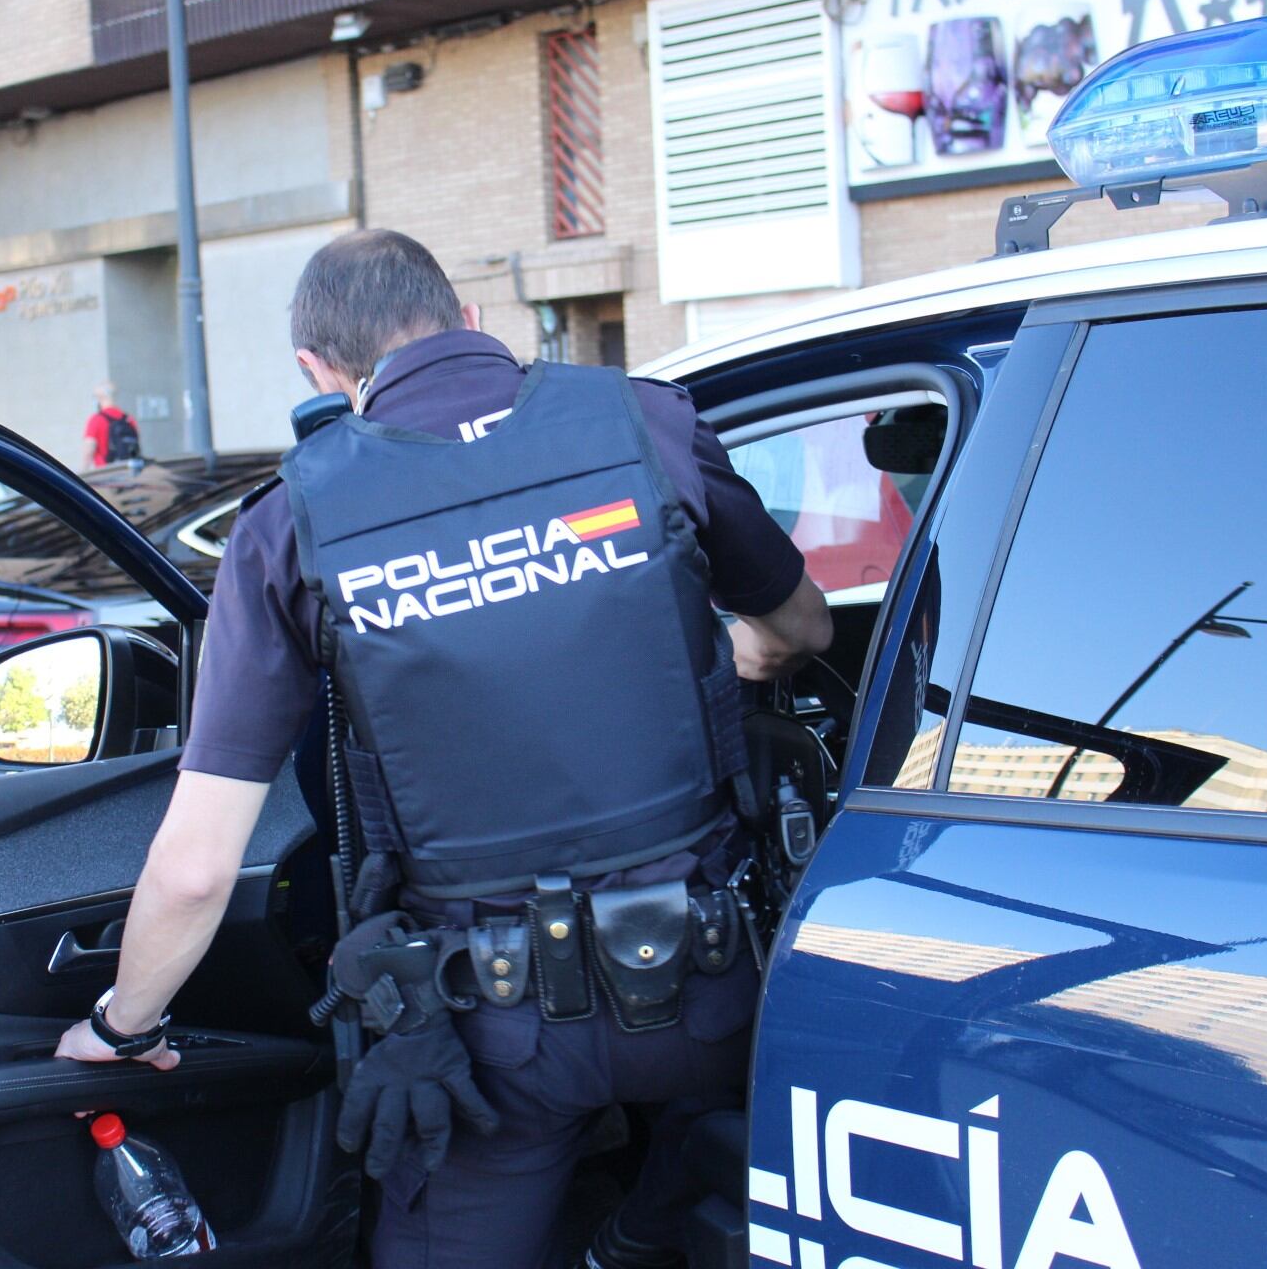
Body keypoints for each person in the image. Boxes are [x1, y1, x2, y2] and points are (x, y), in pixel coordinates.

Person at [55, 230, 833, 1268]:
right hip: (716, 986)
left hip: (492, 1040)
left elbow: (198, 866)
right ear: (470, 318)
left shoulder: (293, 525)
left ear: (320, 373)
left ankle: (644, 1216)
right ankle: (654, 1212)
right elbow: (802, 629)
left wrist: (122, 1026)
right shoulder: (645, 421)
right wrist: (733, 655)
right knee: (733, 1171)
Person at [83, 382, 141, 467]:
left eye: (94, 397)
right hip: (127, 471)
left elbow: (88, 449)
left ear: (100, 397)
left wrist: (83, 472)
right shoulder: (129, 419)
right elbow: (136, 445)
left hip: (106, 473)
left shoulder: (96, 419)